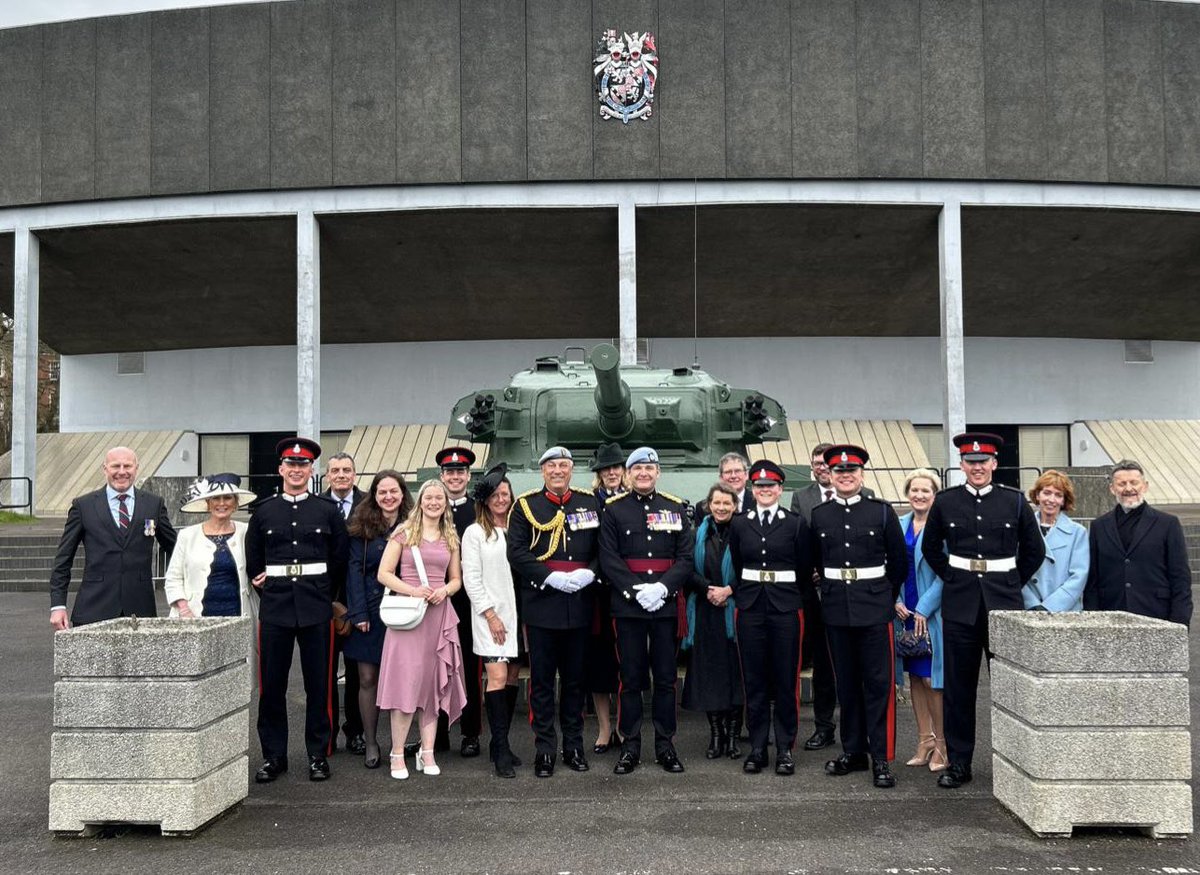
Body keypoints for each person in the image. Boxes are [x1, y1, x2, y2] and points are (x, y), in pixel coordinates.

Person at [921, 433, 1044, 789]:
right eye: (970, 463)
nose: (977, 468)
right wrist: (954, 577)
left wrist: (1011, 581)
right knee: (960, 689)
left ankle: (1016, 762)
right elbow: (932, 548)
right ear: (961, 465)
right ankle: (959, 763)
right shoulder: (946, 502)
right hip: (960, 604)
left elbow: (1033, 550)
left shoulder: (1014, 501)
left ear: (993, 464)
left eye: (983, 462)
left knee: (1010, 687)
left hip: (1003, 603)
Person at [245, 437, 350, 783]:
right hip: (275, 607)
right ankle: (274, 756)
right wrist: (260, 578)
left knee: (318, 685)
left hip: (315, 606)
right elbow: (253, 558)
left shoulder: (326, 511)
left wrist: (326, 593)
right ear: (280, 469)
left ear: (311, 470)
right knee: (271, 686)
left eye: (303, 465)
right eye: (291, 465)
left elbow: (338, 557)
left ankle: (318, 754)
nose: (296, 470)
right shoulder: (264, 511)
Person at [811, 445, 907, 789]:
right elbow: (817, 562)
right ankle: (853, 752)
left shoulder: (881, 512)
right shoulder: (821, 515)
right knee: (847, 686)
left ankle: (881, 757)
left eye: (851, 471)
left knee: (878, 686)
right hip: (837, 609)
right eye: (839, 472)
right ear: (831, 477)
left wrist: (884, 600)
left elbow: (898, 564)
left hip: (874, 609)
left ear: (862, 474)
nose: (845, 476)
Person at [506, 446, 601, 778]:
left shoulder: (590, 502)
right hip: (542, 605)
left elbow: (605, 546)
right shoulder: (526, 505)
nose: (558, 470)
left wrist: (591, 572)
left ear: (572, 469)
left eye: (564, 464)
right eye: (552, 466)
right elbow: (516, 551)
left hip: (579, 604)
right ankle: (545, 749)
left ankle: (574, 746)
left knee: (575, 682)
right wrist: (549, 576)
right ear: (542, 471)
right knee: (542, 683)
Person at [600, 447, 695, 775]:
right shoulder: (613, 510)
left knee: (667, 679)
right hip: (629, 607)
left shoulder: (673, 507)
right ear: (627, 474)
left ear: (658, 473)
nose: (644, 473)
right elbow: (608, 556)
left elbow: (685, 557)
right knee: (631, 678)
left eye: (649, 468)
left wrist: (663, 589)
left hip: (665, 605)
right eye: (637, 468)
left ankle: (666, 744)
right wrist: (634, 590)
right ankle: (630, 744)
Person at [376, 479, 468, 780]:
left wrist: (446, 591)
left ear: (444, 502)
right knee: (405, 686)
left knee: (431, 686)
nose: (433, 502)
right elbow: (384, 574)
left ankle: (426, 751)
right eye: (428, 497)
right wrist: (413, 590)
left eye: (438, 498)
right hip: (409, 618)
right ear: (420, 501)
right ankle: (397, 752)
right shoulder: (403, 533)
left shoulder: (450, 536)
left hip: (439, 616)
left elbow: (456, 579)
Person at [728, 460, 811, 776]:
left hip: (785, 607)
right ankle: (758, 746)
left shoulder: (795, 524)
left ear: (780, 489)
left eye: (771, 486)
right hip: (750, 606)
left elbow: (803, 569)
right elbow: (737, 562)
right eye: (760, 486)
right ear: (752, 489)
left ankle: (785, 748)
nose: (765, 490)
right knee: (755, 680)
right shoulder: (740, 523)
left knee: (785, 679)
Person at [790, 441, 873, 751]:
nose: (822, 468)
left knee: (860, 667)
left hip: (858, 595)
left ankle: (860, 730)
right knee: (824, 664)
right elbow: (799, 539)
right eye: (817, 464)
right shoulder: (802, 498)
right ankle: (824, 727)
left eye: (827, 464)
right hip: (817, 595)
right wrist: (811, 570)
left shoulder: (867, 498)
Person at [49, 446, 177, 629]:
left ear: (136, 468)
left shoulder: (153, 504)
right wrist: (58, 605)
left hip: (141, 611)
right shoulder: (83, 506)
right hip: (93, 609)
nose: (122, 472)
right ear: (105, 468)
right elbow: (63, 559)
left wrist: (185, 594)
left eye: (128, 466)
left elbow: (177, 550)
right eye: (116, 466)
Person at [345, 469, 413, 770]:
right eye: (382, 492)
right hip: (370, 611)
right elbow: (354, 573)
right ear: (374, 495)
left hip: (404, 611)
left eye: (394, 491)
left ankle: (401, 743)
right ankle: (371, 741)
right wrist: (357, 612)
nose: (388, 497)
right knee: (368, 678)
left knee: (403, 678)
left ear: (402, 494)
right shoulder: (361, 527)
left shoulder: (415, 524)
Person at [461, 463, 523, 778]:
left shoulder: (517, 527)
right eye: (495, 495)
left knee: (512, 677)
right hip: (492, 616)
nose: (501, 499)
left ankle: (504, 744)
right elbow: (471, 578)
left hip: (518, 615)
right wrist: (489, 614)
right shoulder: (475, 532)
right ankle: (498, 748)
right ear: (485, 500)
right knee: (496, 677)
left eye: (505, 494)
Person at [1084, 460, 1192, 626]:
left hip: (1157, 616)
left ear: (1145, 486)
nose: (1128, 489)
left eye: (1134, 482)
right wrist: (1093, 620)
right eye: (1121, 484)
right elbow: (1093, 580)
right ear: (1112, 489)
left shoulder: (1168, 524)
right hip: (1111, 618)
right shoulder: (1099, 526)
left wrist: (1179, 623)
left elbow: (1180, 578)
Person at [681, 481, 744, 761]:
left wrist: (729, 590)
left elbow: (752, 568)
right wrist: (708, 588)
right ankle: (716, 734)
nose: (721, 508)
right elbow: (685, 567)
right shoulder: (696, 535)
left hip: (735, 611)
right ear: (709, 504)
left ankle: (733, 735)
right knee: (710, 676)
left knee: (735, 674)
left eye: (726, 503)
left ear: (735, 506)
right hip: (705, 610)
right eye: (716, 503)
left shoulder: (744, 532)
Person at [894, 468, 947, 773]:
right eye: (914, 490)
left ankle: (942, 743)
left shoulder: (942, 527)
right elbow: (891, 565)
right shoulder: (899, 524)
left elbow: (947, 573)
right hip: (905, 610)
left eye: (925, 490)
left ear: (934, 494)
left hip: (931, 613)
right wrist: (896, 601)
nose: (919, 495)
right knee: (914, 677)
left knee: (932, 679)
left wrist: (924, 608)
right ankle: (924, 740)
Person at [435, 445, 483, 757]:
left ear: (468, 476)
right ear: (441, 476)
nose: (455, 477)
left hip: (469, 602)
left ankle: (470, 733)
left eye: (460, 472)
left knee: (467, 667)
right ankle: (437, 734)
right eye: (450, 472)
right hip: (436, 601)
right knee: (435, 668)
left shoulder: (479, 510)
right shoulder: (431, 508)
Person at [321, 452, 367, 756]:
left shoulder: (369, 504)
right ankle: (327, 735)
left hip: (359, 601)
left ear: (354, 474)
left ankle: (356, 732)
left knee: (357, 674)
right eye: (335, 470)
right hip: (322, 601)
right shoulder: (316, 506)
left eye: (347, 470)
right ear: (327, 476)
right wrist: (328, 602)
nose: (341, 475)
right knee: (323, 674)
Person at [164, 473, 257, 619]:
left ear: (235, 503)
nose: (221, 503)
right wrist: (184, 609)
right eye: (215, 498)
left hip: (238, 615)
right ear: (208, 503)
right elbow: (173, 578)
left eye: (227, 498)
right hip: (194, 618)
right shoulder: (187, 535)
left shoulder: (246, 532)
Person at [586, 441, 625, 753]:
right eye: (606, 468)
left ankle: (625, 726)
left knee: (628, 664)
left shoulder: (634, 501)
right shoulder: (588, 504)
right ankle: (603, 727)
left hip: (626, 594)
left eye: (616, 467)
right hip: (597, 595)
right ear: (599, 473)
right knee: (598, 665)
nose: (612, 473)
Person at [1025, 470, 1089, 613]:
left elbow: (1079, 576)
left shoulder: (1078, 532)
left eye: (1058, 495)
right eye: (1047, 493)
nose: (1051, 500)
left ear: (1064, 500)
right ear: (1037, 495)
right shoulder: (1023, 528)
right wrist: (1031, 603)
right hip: (1029, 610)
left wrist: (1049, 607)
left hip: (1065, 612)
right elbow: (1016, 570)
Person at [695, 452, 754, 520]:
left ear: (746, 475)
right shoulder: (702, 508)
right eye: (728, 472)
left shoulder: (758, 503)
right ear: (721, 477)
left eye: (738, 471)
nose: (733, 476)